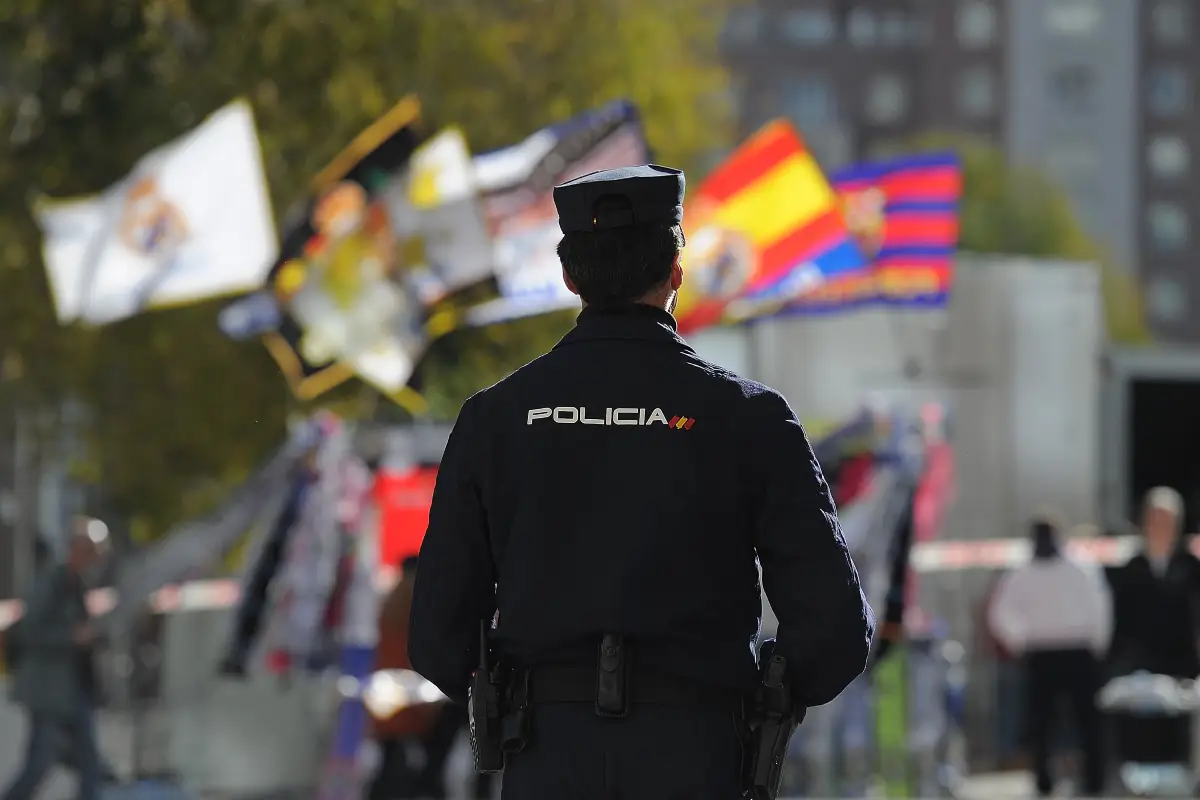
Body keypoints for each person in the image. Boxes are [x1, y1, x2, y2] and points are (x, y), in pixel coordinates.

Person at [408, 164, 875, 798]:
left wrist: (515, 689)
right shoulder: (749, 418)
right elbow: (835, 631)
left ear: (569, 276)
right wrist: (759, 700)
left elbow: (436, 635)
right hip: (698, 751)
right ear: (676, 271)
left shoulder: (494, 418)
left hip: (546, 755)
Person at [988, 515, 1110, 797]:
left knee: (1086, 721)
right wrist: (1019, 641)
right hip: (1046, 651)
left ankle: (1094, 782)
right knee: (1042, 723)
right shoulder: (1023, 572)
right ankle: (1045, 780)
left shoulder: (1079, 567)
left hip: (1075, 650)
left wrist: (1096, 644)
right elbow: (1000, 613)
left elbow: (1099, 605)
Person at [4, 519, 108, 800]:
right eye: (90, 552)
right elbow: (30, 632)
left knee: (90, 767)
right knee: (38, 765)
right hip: (49, 693)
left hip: (75, 692)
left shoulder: (79, 586)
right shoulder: (50, 583)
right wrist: (71, 637)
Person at [1106, 486, 1200, 767]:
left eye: (1167, 520)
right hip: (1139, 660)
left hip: (1181, 659)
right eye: (1155, 519)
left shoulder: (1191, 566)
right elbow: (1119, 616)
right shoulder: (1130, 567)